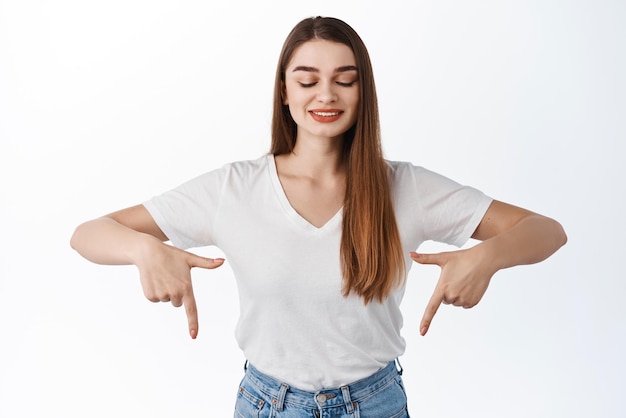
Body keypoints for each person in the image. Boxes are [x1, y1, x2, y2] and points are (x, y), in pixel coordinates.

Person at [70, 16, 566, 418]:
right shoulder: (233, 189)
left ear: (362, 91)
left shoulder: (406, 187)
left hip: (376, 405)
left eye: (344, 80)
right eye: (307, 80)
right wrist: (143, 249)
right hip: (267, 405)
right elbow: (87, 234)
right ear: (284, 93)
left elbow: (548, 230)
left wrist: (487, 257)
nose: (325, 95)